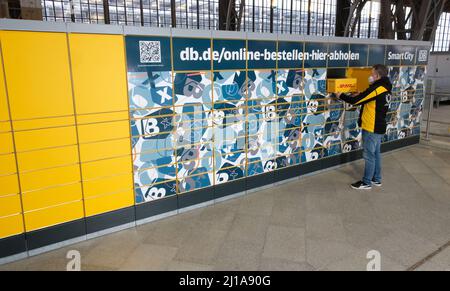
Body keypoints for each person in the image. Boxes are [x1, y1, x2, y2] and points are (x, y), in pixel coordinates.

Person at [336, 64, 392, 190]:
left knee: (369, 155)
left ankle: (366, 182)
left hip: (371, 127)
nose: (370, 76)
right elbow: (370, 99)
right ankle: (376, 179)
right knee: (376, 153)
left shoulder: (377, 89)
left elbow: (356, 101)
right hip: (378, 126)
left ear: (377, 75)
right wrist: (361, 94)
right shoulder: (385, 88)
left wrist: (341, 95)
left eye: (372, 74)